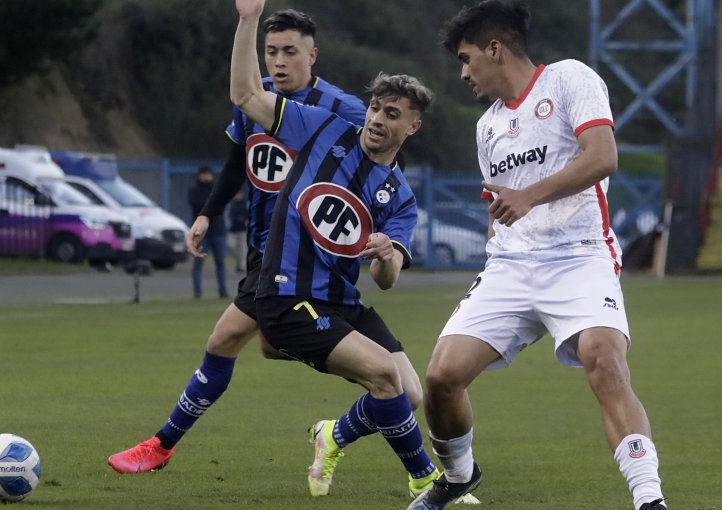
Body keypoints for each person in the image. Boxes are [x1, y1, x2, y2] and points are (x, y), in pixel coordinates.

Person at [108, 6, 473, 503]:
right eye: (375, 109)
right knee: (369, 375)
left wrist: (386, 253)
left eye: (392, 114)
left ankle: (335, 435)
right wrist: (246, 20)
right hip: (282, 282)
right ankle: (429, 481)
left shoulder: (392, 188)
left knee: (408, 393)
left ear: (412, 128)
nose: (377, 119)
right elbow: (244, 102)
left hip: (337, 296)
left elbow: (388, 278)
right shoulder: (319, 127)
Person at [408, 1, 667, 509]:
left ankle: (649, 498)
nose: (463, 72)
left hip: (580, 255)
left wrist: (530, 196)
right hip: (509, 266)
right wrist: (499, 239)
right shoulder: (486, 127)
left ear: (495, 49)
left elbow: (602, 156)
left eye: (466, 58)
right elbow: (497, 202)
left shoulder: (570, 78)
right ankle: (459, 476)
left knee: (604, 359)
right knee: (440, 378)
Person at [188, 166, 228, 298]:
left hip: (217, 231)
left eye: (208, 174)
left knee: (220, 263)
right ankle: (197, 292)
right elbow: (198, 205)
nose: (206, 177)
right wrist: (211, 205)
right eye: (204, 174)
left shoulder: (217, 189)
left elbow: (221, 206)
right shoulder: (194, 191)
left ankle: (223, 291)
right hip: (201, 234)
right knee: (198, 263)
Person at [226, 188, 248, 273]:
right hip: (232, 230)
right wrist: (229, 225)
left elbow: (251, 214)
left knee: (243, 249)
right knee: (231, 246)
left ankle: (242, 267)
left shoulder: (246, 203)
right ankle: (239, 262)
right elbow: (226, 215)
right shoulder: (230, 204)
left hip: (243, 230)